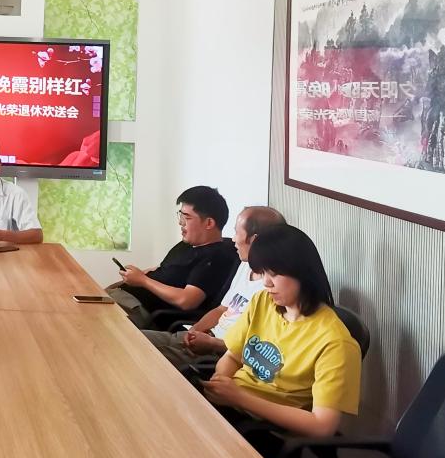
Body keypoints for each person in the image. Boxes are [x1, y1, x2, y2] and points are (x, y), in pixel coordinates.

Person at [204, 224, 362, 443]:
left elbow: (322, 426)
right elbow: (232, 356)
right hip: (231, 409)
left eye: (274, 273)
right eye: (263, 273)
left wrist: (240, 398)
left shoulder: (335, 342)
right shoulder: (262, 302)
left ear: (301, 272)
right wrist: (220, 382)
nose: (266, 283)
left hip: (263, 430)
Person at [142, 206, 286, 370]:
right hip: (204, 339)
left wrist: (213, 344)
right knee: (131, 338)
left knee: (139, 354)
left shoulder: (274, 290)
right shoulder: (245, 265)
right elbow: (222, 309)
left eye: (237, 232)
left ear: (254, 240)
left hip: (220, 356)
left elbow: (259, 353)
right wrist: (194, 332)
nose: (233, 239)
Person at [106, 185, 238, 328]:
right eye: (180, 215)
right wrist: (133, 277)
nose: (180, 222)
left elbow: (186, 300)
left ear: (209, 223)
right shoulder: (187, 245)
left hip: (137, 308)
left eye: (187, 217)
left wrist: (143, 280)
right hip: (121, 296)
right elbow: (161, 270)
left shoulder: (216, 257)